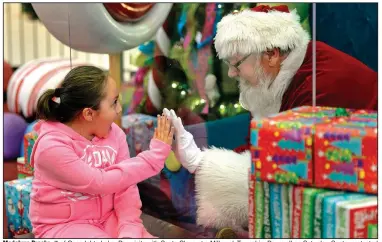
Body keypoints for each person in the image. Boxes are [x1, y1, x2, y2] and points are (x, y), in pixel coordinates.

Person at [162, 4, 377, 233]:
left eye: (235, 63)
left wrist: (200, 162)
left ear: (272, 55)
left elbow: (289, 175)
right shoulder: (276, 79)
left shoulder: (319, 88)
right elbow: (261, 147)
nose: (231, 73)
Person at [29, 66, 174, 238]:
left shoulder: (115, 134)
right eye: (114, 102)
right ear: (89, 113)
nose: (120, 109)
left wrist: (129, 229)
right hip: (63, 226)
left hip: (107, 219)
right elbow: (100, 182)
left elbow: (125, 187)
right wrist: (154, 158)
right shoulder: (51, 147)